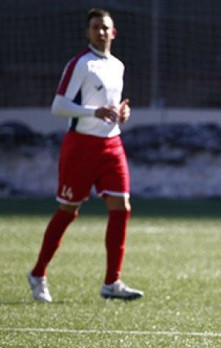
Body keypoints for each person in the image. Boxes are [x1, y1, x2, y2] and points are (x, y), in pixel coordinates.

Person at [27, 8, 143, 302]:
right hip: (81, 146)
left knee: (122, 207)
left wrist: (122, 113)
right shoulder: (81, 64)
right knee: (68, 209)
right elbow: (58, 106)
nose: (100, 32)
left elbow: (112, 106)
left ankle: (111, 282)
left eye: (105, 27)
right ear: (87, 32)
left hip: (112, 145)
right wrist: (95, 112)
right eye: (95, 27)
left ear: (113, 32)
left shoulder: (118, 65)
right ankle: (38, 273)